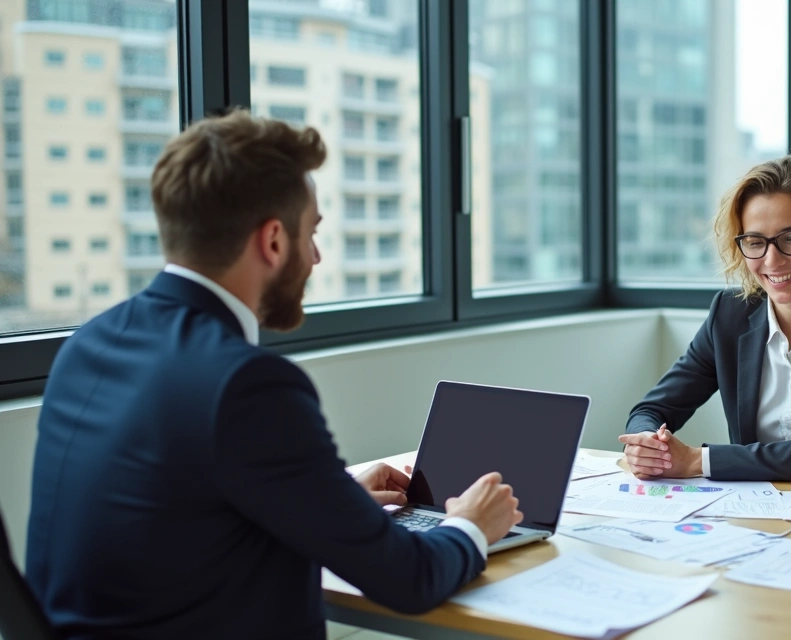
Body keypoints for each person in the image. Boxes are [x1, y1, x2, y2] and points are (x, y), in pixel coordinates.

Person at [24, 111, 523, 639]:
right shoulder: (246, 384)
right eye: (311, 233)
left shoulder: (91, 342)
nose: (316, 256)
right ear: (273, 241)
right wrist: (471, 524)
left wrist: (329, 495)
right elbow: (409, 580)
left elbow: (183, 508)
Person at [620, 155, 791, 482]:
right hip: (752, 508)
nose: (772, 260)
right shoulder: (729, 314)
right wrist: (647, 444)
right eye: (755, 242)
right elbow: (651, 410)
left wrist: (699, 460)